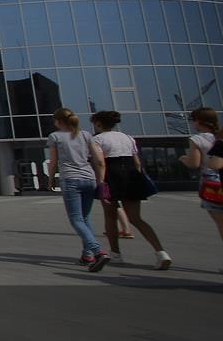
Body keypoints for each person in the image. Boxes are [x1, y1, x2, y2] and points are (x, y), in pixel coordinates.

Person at [91, 111, 171, 270]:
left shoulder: (97, 139)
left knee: (110, 216)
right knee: (136, 218)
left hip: (110, 176)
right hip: (131, 175)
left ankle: (116, 253)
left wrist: (101, 183)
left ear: (98, 123)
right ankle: (161, 252)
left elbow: (100, 163)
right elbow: (137, 163)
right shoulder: (127, 137)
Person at [48, 108, 110, 271]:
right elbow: (99, 161)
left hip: (70, 180)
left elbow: (53, 163)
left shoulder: (55, 137)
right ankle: (87, 255)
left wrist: (50, 179)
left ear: (59, 122)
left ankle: (97, 251)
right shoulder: (86, 135)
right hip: (89, 179)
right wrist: (100, 180)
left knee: (76, 219)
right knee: (85, 218)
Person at [187, 108, 223, 247]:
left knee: (220, 222)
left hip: (212, 183)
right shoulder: (218, 137)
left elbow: (194, 163)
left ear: (198, 121)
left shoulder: (198, 139)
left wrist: (183, 158)